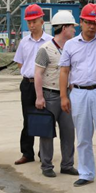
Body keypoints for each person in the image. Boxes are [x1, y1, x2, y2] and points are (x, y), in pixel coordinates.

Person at [59, 4, 96, 189]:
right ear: (81, 22)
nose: (91, 26)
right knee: (83, 136)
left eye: (95, 22)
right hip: (79, 92)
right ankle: (86, 173)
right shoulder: (71, 44)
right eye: (88, 22)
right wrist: (63, 96)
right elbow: (64, 71)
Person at [34, 10, 78, 178]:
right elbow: (38, 74)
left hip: (66, 95)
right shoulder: (45, 49)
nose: (74, 30)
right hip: (50, 95)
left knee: (68, 131)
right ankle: (46, 165)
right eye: (72, 27)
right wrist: (39, 97)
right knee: (47, 132)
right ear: (64, 28)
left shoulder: (71, 48)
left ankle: (67, 164)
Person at [13, 4, 52, 165]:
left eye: (34, 21)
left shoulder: (50, 41)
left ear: (42, 21)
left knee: (45, 119)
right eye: (29, 22)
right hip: (28, 85)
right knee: (27, 119)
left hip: (46, 84)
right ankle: (27, 152)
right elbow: (20, 63)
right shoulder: (24, 42)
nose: (31, 25)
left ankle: (44, 153)